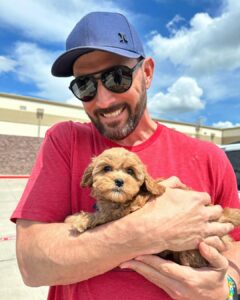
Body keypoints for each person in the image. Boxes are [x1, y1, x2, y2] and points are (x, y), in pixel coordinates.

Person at [11, 11, 240, 300]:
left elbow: (236, 243)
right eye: (85, 85)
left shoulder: (209, 156)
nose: (104, 99)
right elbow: (32, 264)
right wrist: (149, 229)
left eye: (117, 77)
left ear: (146, 73)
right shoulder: (65, 141)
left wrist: (227, 288)